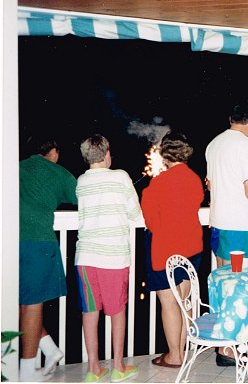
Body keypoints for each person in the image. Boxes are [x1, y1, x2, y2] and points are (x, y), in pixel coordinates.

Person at [205, 100, 248, 366]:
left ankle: (224, 345)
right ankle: (231, 349)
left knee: (223, 284)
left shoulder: (214, 144)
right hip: (240, 228)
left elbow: (210, 185)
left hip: (219, 224)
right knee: (238, 287)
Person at [75, 134, 141, 382]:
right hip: (113, 256)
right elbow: (135, 214)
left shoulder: (81, 181)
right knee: (117, 311)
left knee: (90, 311)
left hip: (85, 257)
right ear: (106, 154)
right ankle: (118, 367)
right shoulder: (121, 176)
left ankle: (93, 369)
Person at [141, 132, 204, 369]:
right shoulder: (195, 179)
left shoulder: (158, 183)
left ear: (165, 155)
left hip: (166, 251)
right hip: (192, 248)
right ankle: (182, 351)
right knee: (184, 300)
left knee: (169, 302)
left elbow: (151, 221)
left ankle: (174, 355)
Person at [19, 137, 77, 381]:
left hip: (11, 242)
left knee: (19, 302)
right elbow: (81, 198)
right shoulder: (58, 172)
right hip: (39, 243)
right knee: (32, 305)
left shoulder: (18, 167)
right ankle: (27, 372)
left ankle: (50, 350)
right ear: (53, 152)